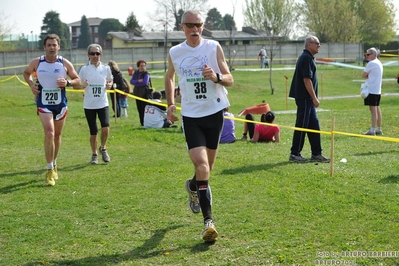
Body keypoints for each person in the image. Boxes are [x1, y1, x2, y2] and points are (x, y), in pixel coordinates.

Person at [164, 10, 234, 243]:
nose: (195, 29)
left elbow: (229, 79)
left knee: (206, 171)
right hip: (192, 116)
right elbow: (170, 77)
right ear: (182, 27)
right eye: (190, 25)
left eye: (199, 25)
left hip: (214, 113)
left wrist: (215, 76)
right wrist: (171, 103)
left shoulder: (214, 47)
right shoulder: (175, 52)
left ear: (203, 27)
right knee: (202, 166)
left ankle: (193, 186)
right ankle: (208, 223)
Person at [23, 34, 80, 186]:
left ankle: (54, 164)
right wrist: (31, 85)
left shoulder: (64, 63)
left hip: (60, 104)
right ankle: (49, 170)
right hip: (44, 103)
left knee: (57, 136)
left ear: (58, 46)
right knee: (50, 133)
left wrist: (67, 82)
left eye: (54, 45)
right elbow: (26, 73)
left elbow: (77, 80)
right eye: (49, 45)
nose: (52, 47)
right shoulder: (37, 62)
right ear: (45, 47)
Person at [288, 36, 330, 163]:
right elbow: (307, 80)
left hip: (308, 100)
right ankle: (295, 154)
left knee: (314, 126)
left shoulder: (309, 57)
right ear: (309, 45)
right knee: (302, 125)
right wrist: (314, 98)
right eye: (317, 43)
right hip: (305, 98)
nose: (319, 45)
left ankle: (316, 154)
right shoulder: (306, 58)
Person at [75, 44, 113, 164]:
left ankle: (103, 148)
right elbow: (75, 85)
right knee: (93, 131)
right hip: (89, 105)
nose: (95, 56)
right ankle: (94, 154)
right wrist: (82, 86)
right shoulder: (84, 69)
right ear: (88, 55)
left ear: (101, 55)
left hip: (103, 103)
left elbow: (110, 80)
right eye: (92, 54)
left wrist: (109, 85)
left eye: (97, 53)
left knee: (106, 127)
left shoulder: (106, 68)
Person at [362, 47, 383, 135]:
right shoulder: (379, 63)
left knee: (373, 110)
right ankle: (378, 128)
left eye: (368, 54)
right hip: (377, 90)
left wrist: (367, 75)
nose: (366, 56)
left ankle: (372, 129)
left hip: (371, 90)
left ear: (374, 55)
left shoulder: (371, 63)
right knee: (377, 108)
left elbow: (363, 74)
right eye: (366, 54)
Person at [131, 60, 152, 126]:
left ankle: (146, 122)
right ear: (138, 66)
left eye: (144, 66)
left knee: (144, 109)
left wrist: (136, 83)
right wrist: (138, 81)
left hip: (144, 93)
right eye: (141, 66)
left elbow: (144, 83)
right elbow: (131, 81)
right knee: (139, 109)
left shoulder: (146, 74)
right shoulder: (136, 73)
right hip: (137, 94)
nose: (143, 67)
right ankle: (142, 123)